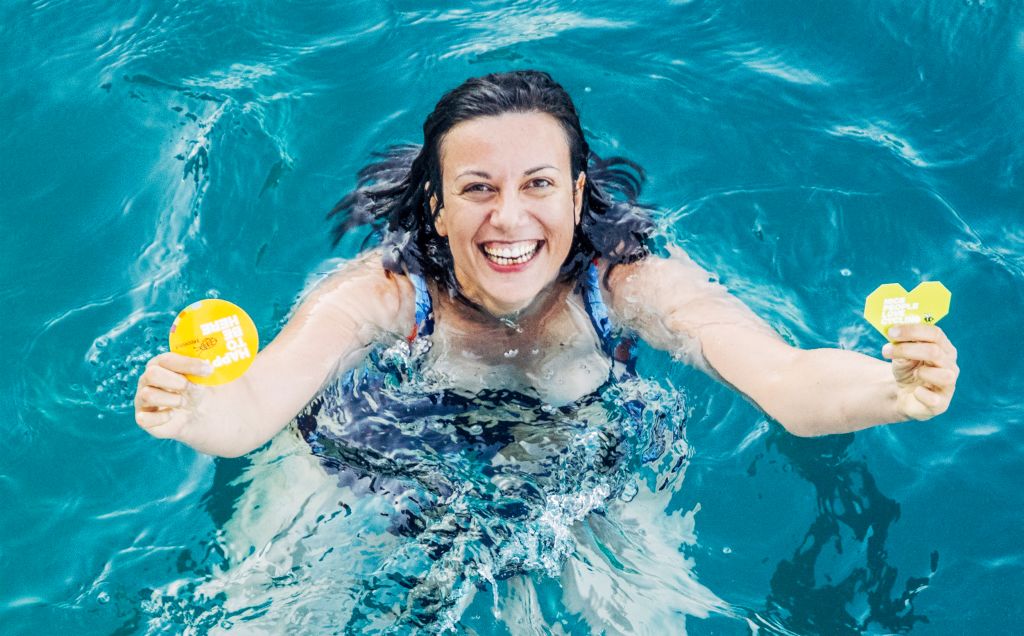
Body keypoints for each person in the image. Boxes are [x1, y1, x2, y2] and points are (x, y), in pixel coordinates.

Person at [133, 69, 959, 458]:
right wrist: (194, 410)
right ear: (437, 207)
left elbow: (786, 383)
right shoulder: (378, 295)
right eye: (478, 189)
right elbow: (254, 410)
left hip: (568, 455)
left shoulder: (632, 285)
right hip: (372, 448)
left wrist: (895, 391)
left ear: (575, 194)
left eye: (536, 185)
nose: (509, 218)